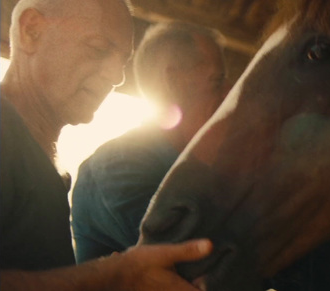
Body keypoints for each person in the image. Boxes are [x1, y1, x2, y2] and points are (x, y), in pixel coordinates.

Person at [0, 0, 214, 290]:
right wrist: (112, 274)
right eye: (98, 48)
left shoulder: (37, 159)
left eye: (123, 61)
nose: (117, 76)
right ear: (32, 31)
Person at [71, 21, 231, 263]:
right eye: (217, 81)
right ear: (173, 81)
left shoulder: (199, 167)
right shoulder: (119, 164)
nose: (228, 93)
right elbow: (195, 255)